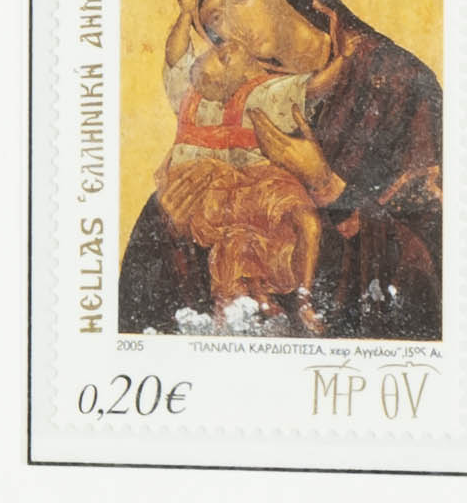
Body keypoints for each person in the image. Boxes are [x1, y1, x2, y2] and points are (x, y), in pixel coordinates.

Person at [106, 0, 448, 339]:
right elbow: (141, 305)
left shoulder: (396, 83)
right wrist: (174, 227)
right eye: (214, 19)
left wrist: (325, 183)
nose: (231, 25)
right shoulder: (232, 101)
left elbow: (436, 261)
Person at [138, 25, 342, 325]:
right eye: (222, 58)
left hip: (258, 184)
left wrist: (185, 16)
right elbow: (314, 87)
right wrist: (346, 59)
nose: (225, 47)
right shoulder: (257, 94)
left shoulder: (252, 91)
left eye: (220, 52)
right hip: (232, 189)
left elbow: (177, 57)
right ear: (221, 86)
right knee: (255, 240)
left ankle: (300, 299)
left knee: (298, 226)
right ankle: (282, 299)